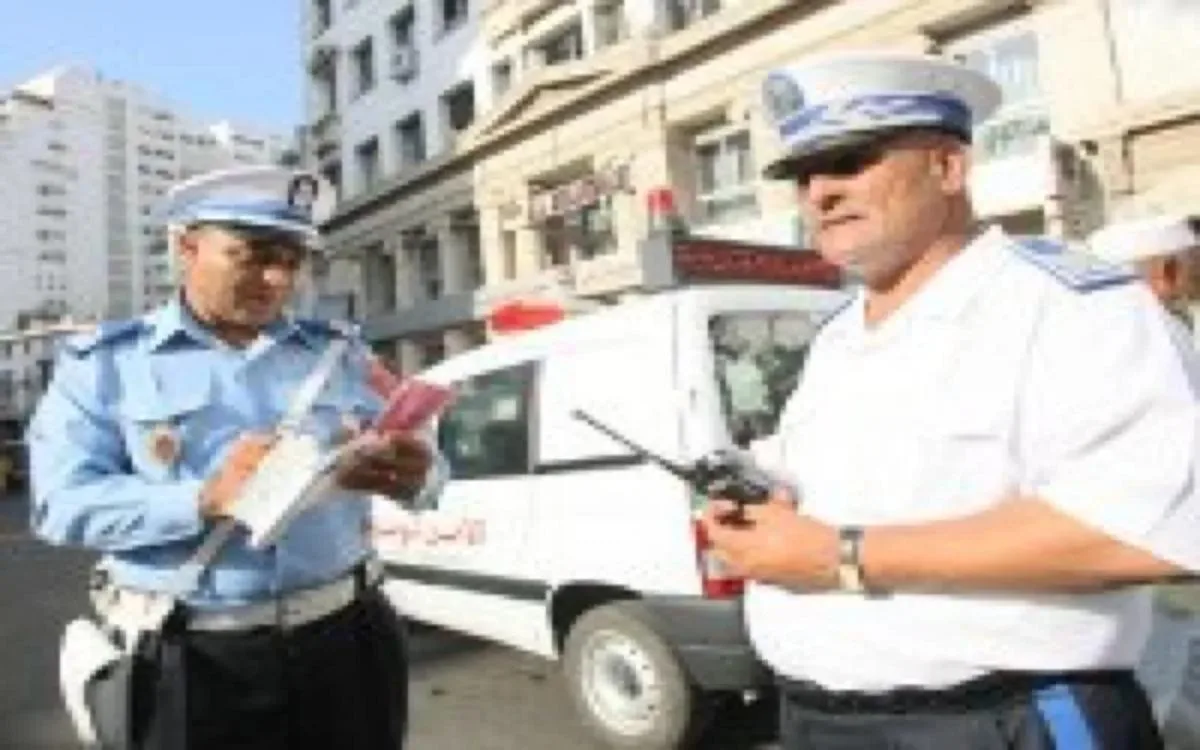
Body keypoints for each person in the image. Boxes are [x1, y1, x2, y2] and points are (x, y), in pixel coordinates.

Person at [701, 51, 1200, 749]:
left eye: (849, 161)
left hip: (1001, 721)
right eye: (803, 175)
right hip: (819, 720)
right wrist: (760, 510)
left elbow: (1147, 529)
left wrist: (841, 555)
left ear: (948, 167)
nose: (820, 193)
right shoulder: (838, 336)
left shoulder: (1071, 307)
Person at [29, 165, 441, 749]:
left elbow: (430, 464)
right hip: (192, 662)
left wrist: (416, 474)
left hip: (349, 643)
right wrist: (203, 498)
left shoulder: (341, 354)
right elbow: (60, 504)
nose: (277, 279)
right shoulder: (106, 363)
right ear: (186, 247)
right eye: (253, 256)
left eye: (293, 261)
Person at [1089, 214, 1200, 731]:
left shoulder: (1092, 330)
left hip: (1120, 553)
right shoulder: (1154, 331)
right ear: (1167, 271)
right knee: (1154, 686)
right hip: (1151, 550)